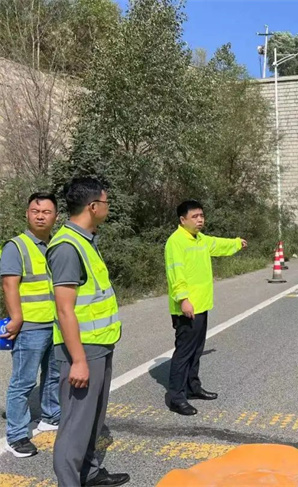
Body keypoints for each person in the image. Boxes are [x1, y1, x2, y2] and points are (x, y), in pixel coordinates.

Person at [47, 178, 129, 487]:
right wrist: (78, 360)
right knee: (75, 426)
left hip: (100, 345)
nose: (108, 208)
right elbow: (64, 310)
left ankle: (89, 473)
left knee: (93, 419)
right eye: (106, 203)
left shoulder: (86, 240)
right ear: (93, 207)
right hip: (82, 350)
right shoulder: (67, 247)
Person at [164, 200, 247, 415]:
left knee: (197, 350)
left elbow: (218, 244)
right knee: (184, 353)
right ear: (182, 220)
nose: (200, 220)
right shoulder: (176, 242)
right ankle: (176, 397)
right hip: (187, 308)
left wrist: (237, 243)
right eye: (195, 216)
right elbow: (175, 274)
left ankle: (193, 387)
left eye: (201, 215)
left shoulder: (200, 239)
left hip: (201, 305)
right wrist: (183, 299)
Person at [1, 193, 60, 458]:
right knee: (23, 381)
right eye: (35, 211)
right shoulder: (17, 246)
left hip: (55, 323)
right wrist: (16, 317)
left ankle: (51, 416)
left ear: (55, 216)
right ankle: (16, 436)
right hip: (30, 326)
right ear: (27, 214)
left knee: (54, 375)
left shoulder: (56, 245)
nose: (40, 216)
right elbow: (9, 284)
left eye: (46, 212)